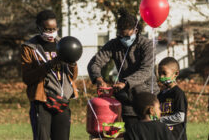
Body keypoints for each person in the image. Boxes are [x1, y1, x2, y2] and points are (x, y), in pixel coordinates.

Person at [87, 8, 159, 129]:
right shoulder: (114, 44)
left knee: (150, 133)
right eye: (120, 35)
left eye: (127, 35)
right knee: (131, 134)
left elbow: (146, 70)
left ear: (135, 30)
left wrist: (126, 82)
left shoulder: (147, 45)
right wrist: (98, 79)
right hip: (127, 101)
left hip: (148, 98)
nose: (124, 39)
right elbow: (94, 63)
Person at [21, 10, 79, 140]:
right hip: (42, 101)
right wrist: (50, 64)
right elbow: (27, 78)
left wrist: (72, 62)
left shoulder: (63, 44)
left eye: (54, 29)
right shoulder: (29, 47)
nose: (51, 32)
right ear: (39, 28)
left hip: (62, 100)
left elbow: (73, 77)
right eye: (47, 29)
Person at [157, 57, 188, 140]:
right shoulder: (160, 94)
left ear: (176, 74)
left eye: (164, 73)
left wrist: (160, 120)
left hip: (176, 136)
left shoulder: (178, 93)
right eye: (159, 73)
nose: (161, 76)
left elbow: (180, 117)